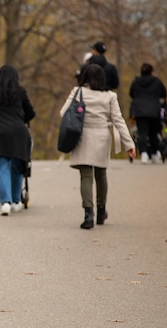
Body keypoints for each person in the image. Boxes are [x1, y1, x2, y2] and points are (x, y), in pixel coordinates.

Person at [60, 64, 136, 229]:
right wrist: (129, 144)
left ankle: (88, 214)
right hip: (102, 136)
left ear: (85, 77)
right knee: (101, 174)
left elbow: (63, 112)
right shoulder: (110, 96)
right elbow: (118, 120)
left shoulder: (78, 92)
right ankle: (101, 211)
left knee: (86, 176)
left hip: (82, 137)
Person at [0, 65, 36, 216]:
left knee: (2, 166)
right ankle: (16, 201)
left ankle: (6, 203)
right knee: (17, 167)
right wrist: (20, 119)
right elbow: (31, 113)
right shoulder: (20, 91)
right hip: (18, 132)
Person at [129, 63, 167, 164]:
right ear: (151, 71)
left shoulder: (136, 82)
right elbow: (164, 93)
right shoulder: (157, 82)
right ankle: (155, 153)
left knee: (142, 133)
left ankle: (144, 154)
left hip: (139, 111)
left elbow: (131, 94)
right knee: (154, 133)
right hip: (154, 110)